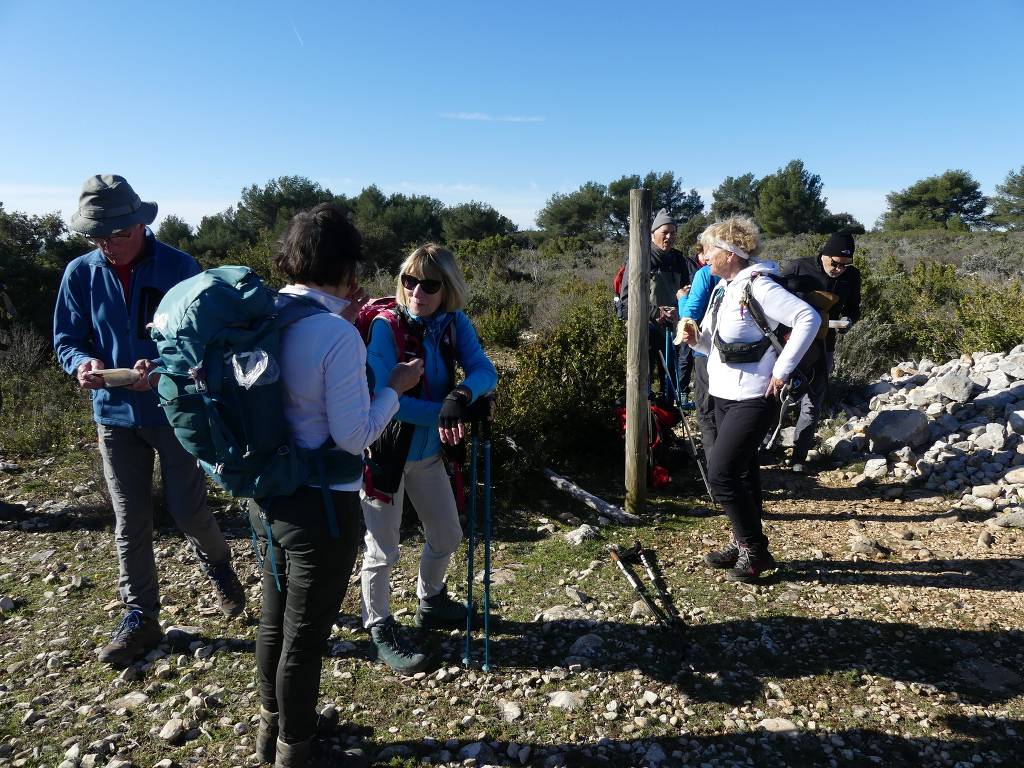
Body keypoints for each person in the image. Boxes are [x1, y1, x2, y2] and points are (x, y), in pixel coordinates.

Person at [249, 203, 423, 767]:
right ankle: (296, 752)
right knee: (305, 635)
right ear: (347, 269)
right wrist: (394, 387)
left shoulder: (263, 314)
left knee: (275, 619)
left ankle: (273, 729)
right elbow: (354, 437)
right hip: (321, 508)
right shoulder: (334, 334)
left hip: (267, 493)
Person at [53, 175, 247, 667]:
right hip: (114, 415)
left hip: (175, 410)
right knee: (129, 518)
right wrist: (81, 364)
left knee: (187, 508)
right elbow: (67, 338)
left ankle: (219, 565)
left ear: (140, 223)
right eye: (97, 235)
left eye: (115, 233)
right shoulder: (80, 273)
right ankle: (140, 615)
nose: (106, 244)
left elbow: (206, 343)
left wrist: (163, 370)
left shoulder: (181, 267)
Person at [360, 243, 498, 674]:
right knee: (383, 548)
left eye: (429, 283)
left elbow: (484, 370)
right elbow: (386, 397)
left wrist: (461, 394)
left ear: (447, 289)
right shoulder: (385, 328)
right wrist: (445, 412)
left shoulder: (453, 324)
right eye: (409, 280)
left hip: (428, 454)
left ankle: (431, 600)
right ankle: (379, 624)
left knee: (447, 532)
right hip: (385, 450)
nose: (417, 290)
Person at [678, 216, 819, 582]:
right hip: (723, 393)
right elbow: (718, 343)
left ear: (729, 252)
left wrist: (783, 369)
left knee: (721, 474)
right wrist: (696, 340)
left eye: (710, 249)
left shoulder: (758, 286)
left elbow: (808, 317)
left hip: (754, 395)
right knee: (742, 473)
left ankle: (754, 550)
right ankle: (745, 543)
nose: (703, 256)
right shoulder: (724, 289)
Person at [780, 232, 861, 472]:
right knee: (777, 396)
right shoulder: (799, 267)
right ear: (824, 254)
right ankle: (766, 447)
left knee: (812, 401)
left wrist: (848, 321)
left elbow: (854, 307)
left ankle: (799, 457)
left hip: (825, 344)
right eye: (834, 263)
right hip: (790, 344)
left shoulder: (851, 277)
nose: (838, 269)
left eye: (845, 265)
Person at [617, 209, 700, 400]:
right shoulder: (640, 258)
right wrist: (655, 312)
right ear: (653, 233)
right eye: (665, 232)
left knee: (670, 378)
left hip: (671, 329)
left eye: (673, 232)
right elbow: (627, 299)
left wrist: (677, 311)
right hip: (644, 329)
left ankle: (666, 418)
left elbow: (687, 291)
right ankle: (643, 420)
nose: (669, 237)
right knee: (641, 377)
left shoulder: (679, 260)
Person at [676, 241, 721, 455]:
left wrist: (681, 299)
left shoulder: (706, 274)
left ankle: (716, 472)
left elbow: (689, 315)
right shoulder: (754, 272)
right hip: (746, 357)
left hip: (706, 348)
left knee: (707, 410)